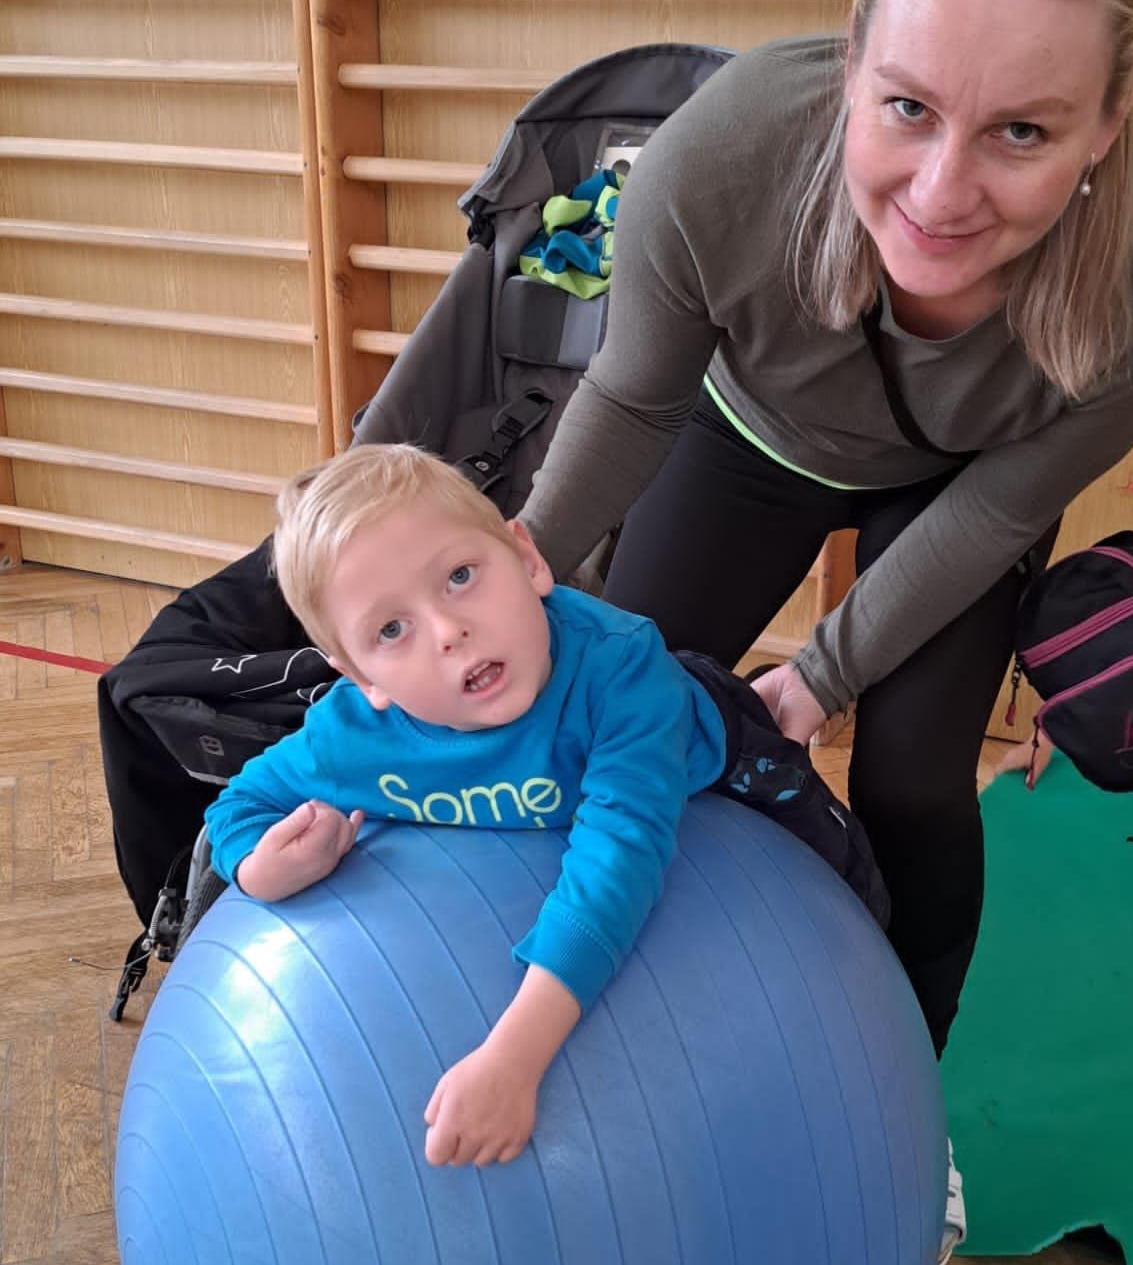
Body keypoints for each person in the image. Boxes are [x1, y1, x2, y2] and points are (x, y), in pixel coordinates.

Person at [517, 0, 1133, 1059]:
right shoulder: (717, 162)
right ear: (850, 65)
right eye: (906, 107)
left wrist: (822, 672)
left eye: (1022, 131)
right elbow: (633, 395)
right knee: (618, 712)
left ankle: (901, 1073)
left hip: (959, 485)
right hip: (749, 435)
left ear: (1105, 123)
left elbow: (996, 507)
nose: (940, 193)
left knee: (913, 784)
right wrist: (511, 573)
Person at [204, 444, 887, 1169]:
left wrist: (514, 1059)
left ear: (527, 560)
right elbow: (238, 804)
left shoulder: (624, 672)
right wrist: (258, 868)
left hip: (712, 758)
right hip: (551, 805)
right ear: (359, 675)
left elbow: (617, 860)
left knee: (849, 884)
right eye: (391, 630)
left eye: (460, 576)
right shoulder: (354, 737)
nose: (447, 631)